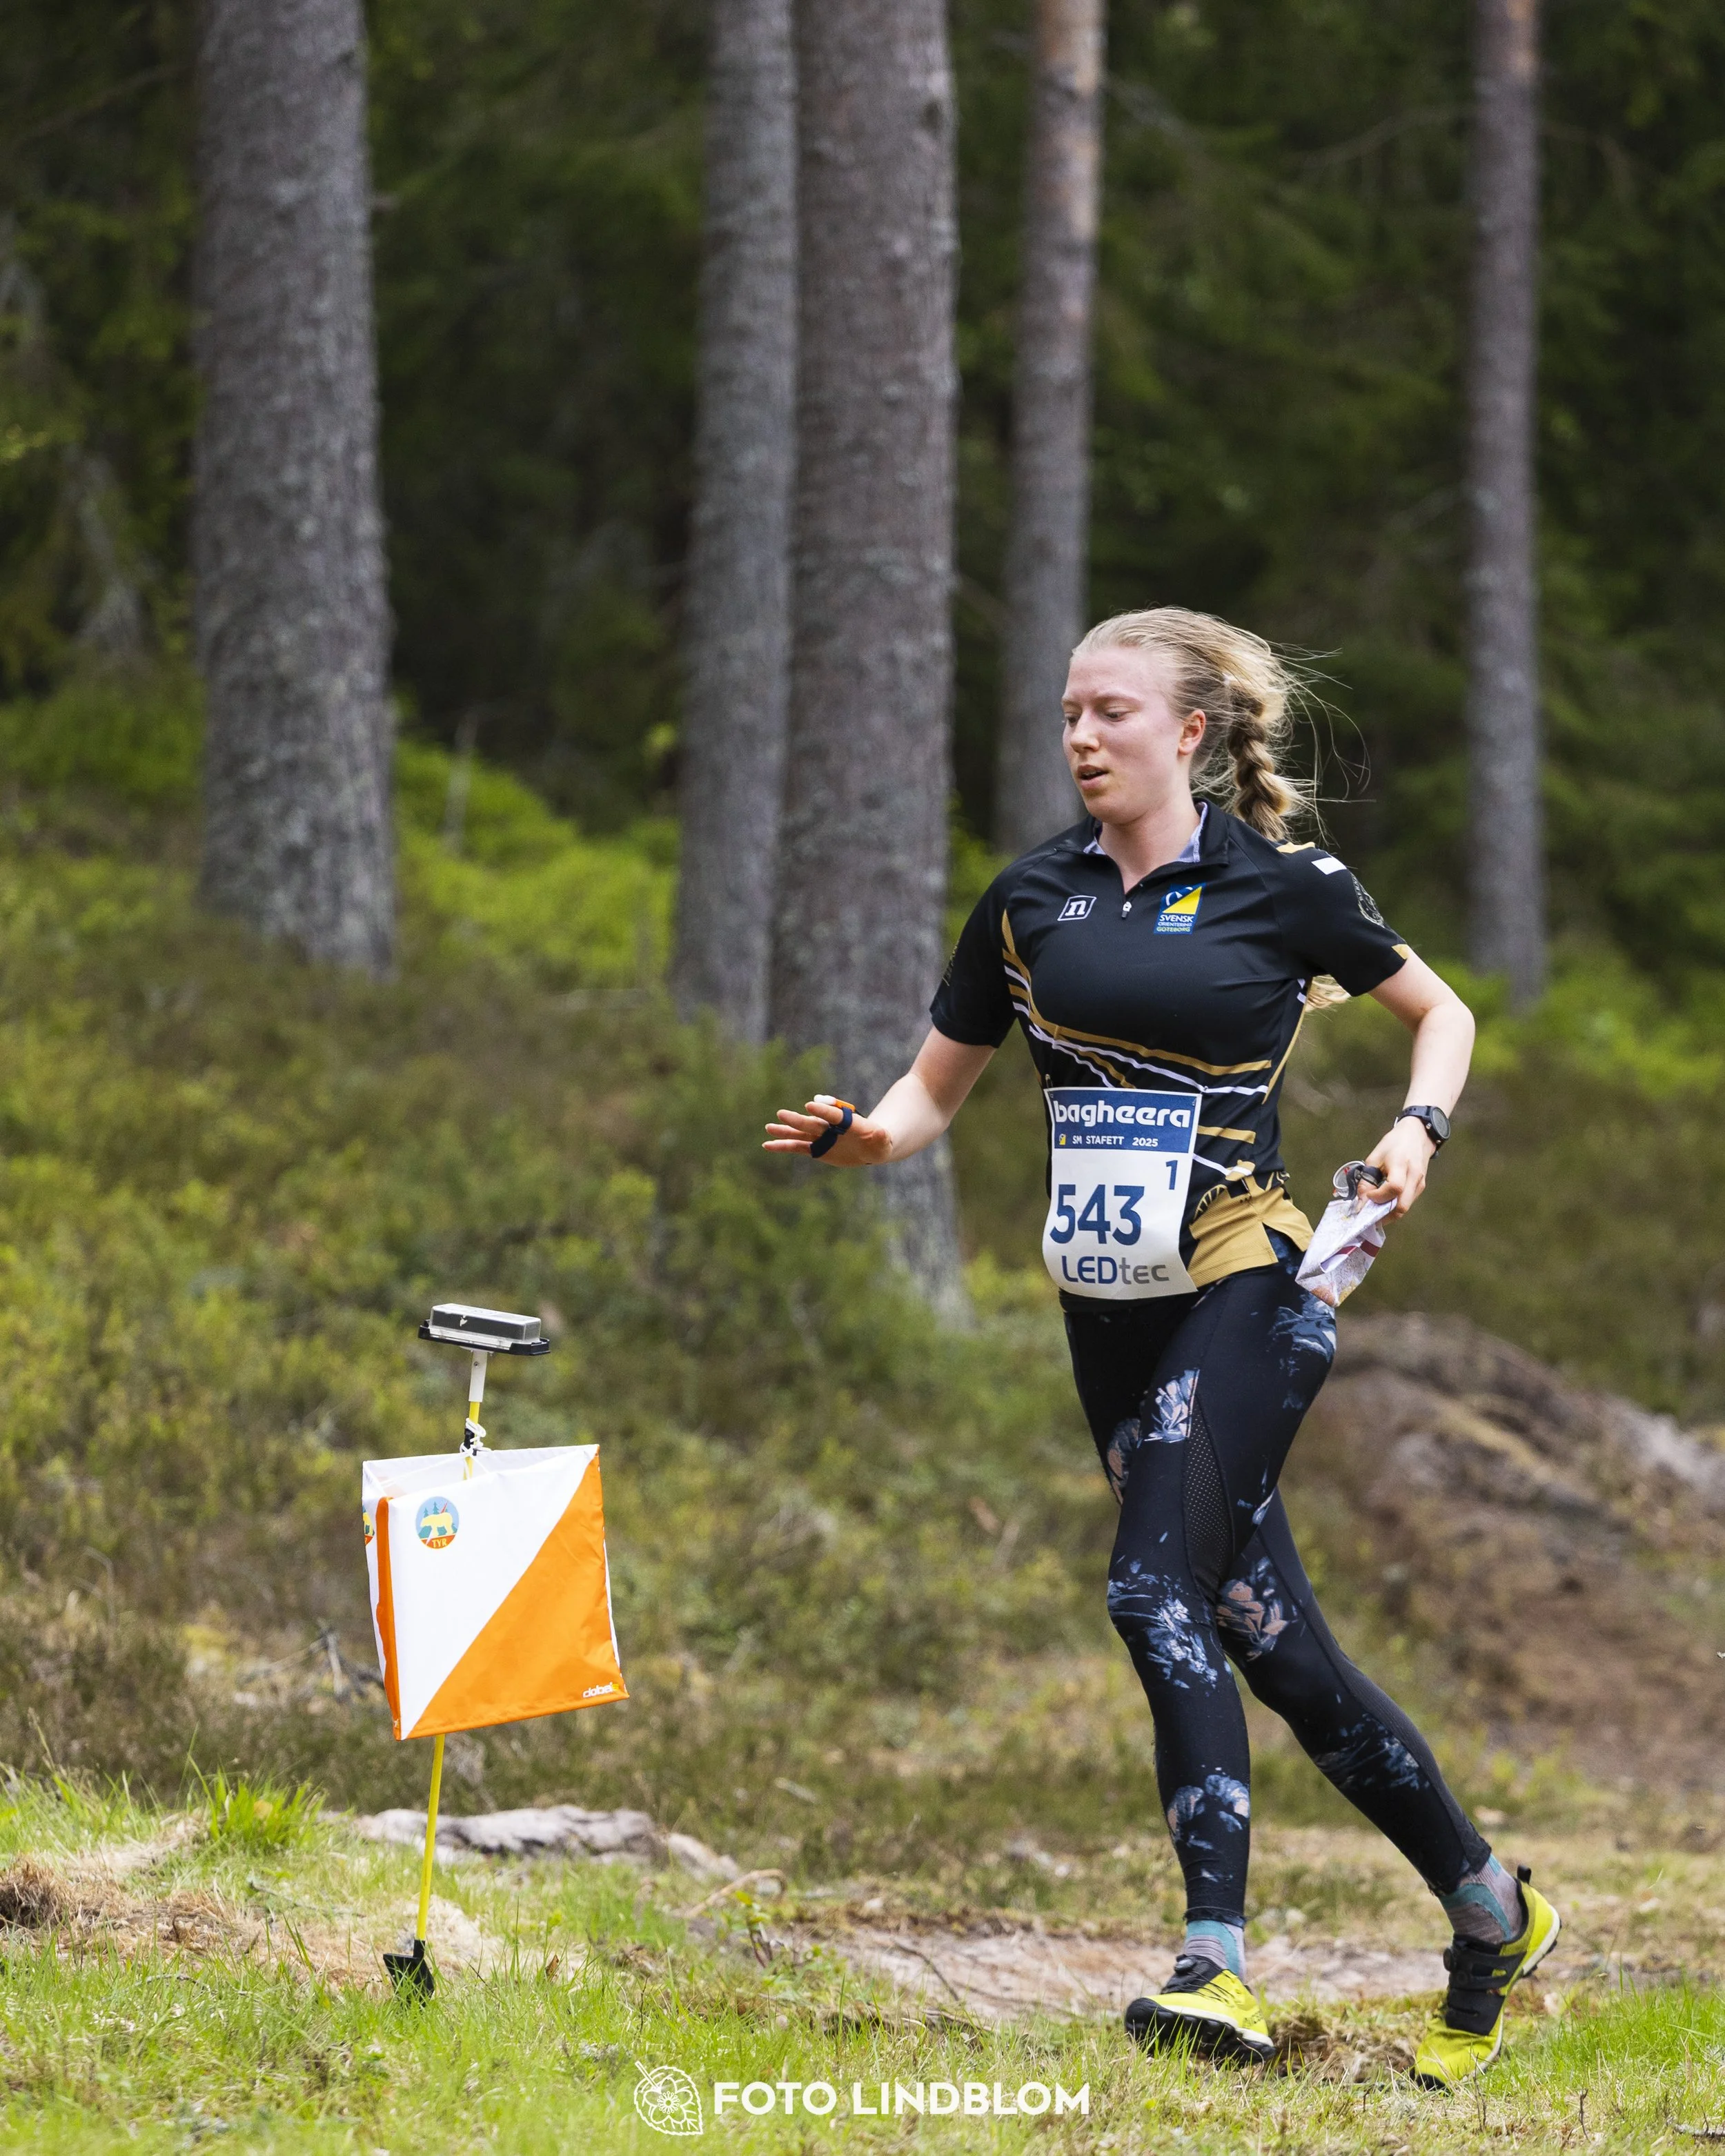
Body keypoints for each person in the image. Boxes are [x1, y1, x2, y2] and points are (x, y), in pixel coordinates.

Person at [765, 606, 1559, 2086]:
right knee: (1268, 1637)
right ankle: (1490, 1906)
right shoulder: (1029, 900)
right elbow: (934, 1088)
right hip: (1105, 1309)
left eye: (1110, 711)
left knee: (1149, 1586)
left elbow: (1434, 1010)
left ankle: (1215, 1964)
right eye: (1068, 710)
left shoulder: (1280, 886)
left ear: (1187, 731)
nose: (1080, 735)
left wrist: (1414, 1125)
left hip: (1246, 1278)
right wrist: (867, 1135)